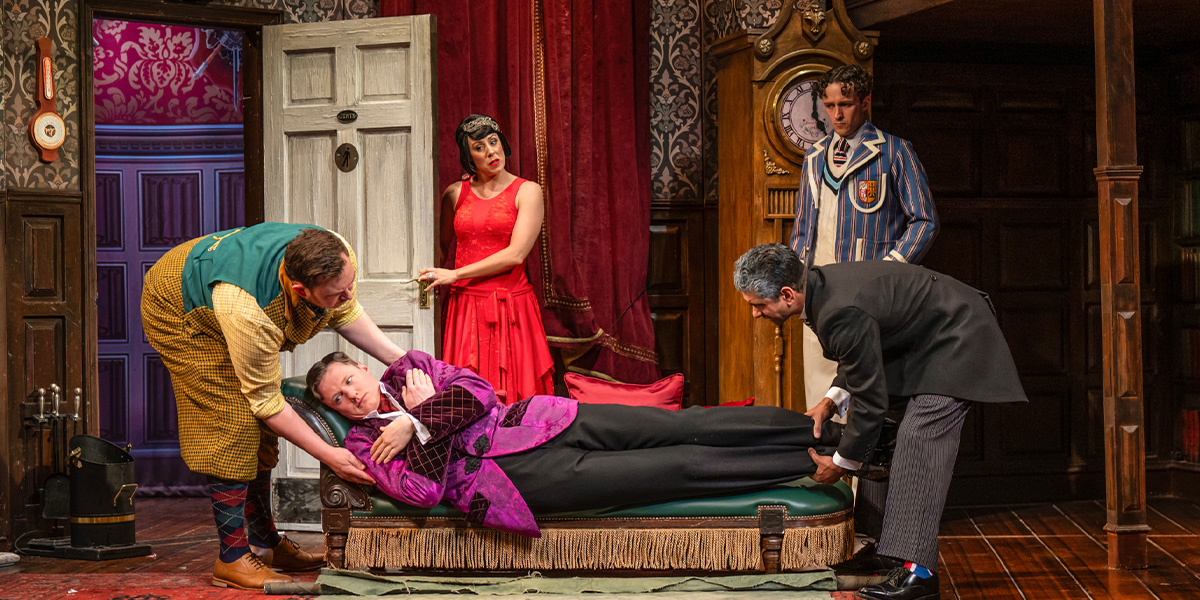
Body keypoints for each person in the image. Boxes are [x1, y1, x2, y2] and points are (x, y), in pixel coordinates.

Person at [304, 349, 868, 537]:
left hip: (544, 420)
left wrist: (420, 424)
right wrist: (425, 420)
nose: (351, 399)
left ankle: (833, 435)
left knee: (682, 424)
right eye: (337, 400)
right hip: (516, 485)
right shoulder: (363, 445)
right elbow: (425, 493)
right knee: (678, 468)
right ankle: (807, 461)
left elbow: (478, 392)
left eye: (348, 381)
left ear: (359, 367)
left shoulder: (410, 369)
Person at [734, 243, 1027, 600]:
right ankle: (884, 552)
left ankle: (919, 576)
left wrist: (840, 465)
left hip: (957, 337)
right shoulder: (821, 290)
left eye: (758, 305)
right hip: (924, 343)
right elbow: (860, 351)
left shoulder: (837, 309)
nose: (755, 314)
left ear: (787, 294)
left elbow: (870, 399)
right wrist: (831, 400)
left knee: (920, 438)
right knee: (885, 432)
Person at [142, 223, 405, 591]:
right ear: (301, 290)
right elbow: (266, 403)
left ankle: (267, 544)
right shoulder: (248, 310)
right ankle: (231, 557)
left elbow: (346, 313)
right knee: (234, 423)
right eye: (335, 293)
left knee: (259, 434)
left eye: (350, 284)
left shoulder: (336, 250)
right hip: (179, 308)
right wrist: (331, 455)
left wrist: (406, 363)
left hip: (221, 290)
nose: (347, 294)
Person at [790, 64, 939, 561]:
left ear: (865, 102)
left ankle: (868, 532)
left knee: (865, 402)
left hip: (869, 303)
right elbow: (801, 231)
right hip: (819, 301)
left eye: (845, 105)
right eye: (829, 105)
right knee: (822, 403)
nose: (837, 114)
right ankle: (829, 521)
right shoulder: (813, 158)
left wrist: (887, 276)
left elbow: (923, 222)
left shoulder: (894, 151)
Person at [419, 114, 553, 405]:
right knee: (463, 399)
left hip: (509, 310)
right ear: (469, 157)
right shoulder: (455, 194)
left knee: (515, 401)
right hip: (464, 308)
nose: (491, 151)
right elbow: (439, 251)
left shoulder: (527, 191)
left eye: (494, 142)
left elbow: (516, 254)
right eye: (479, 147)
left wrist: (455, 274)